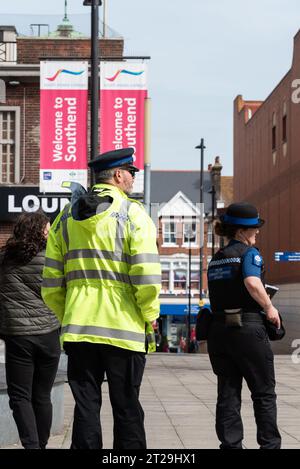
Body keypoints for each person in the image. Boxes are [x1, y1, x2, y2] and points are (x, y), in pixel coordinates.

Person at [42, 147, 161, 449]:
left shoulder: (65, 218)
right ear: (118, 176)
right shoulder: (133, 215)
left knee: (85, 409)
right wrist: (150, 313)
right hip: (124, 332)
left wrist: (68, 313)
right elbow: (146, 275)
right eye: (131, 173)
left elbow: (52, 283)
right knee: (126, 408)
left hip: (79, 330)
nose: (133, 179)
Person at [207, 202, 281, 449]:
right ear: (241, 231)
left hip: (220, 332)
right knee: (263, 394)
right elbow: (251, 282)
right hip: (248, 331)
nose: (257, 233)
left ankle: (230, 445)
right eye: (254, 229)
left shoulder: (216, 260)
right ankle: (269, 445)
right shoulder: (250, 254)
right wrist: (269, 308)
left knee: (227, 395)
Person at [0, 212, 61, 449]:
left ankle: (31, 445)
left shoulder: (4, 259)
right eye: (47, 229)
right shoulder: (53, 260)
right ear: (40, 232)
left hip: (18, 336)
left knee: (20, 396)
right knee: (42, 395)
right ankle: (41, 445)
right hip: (49, 335)